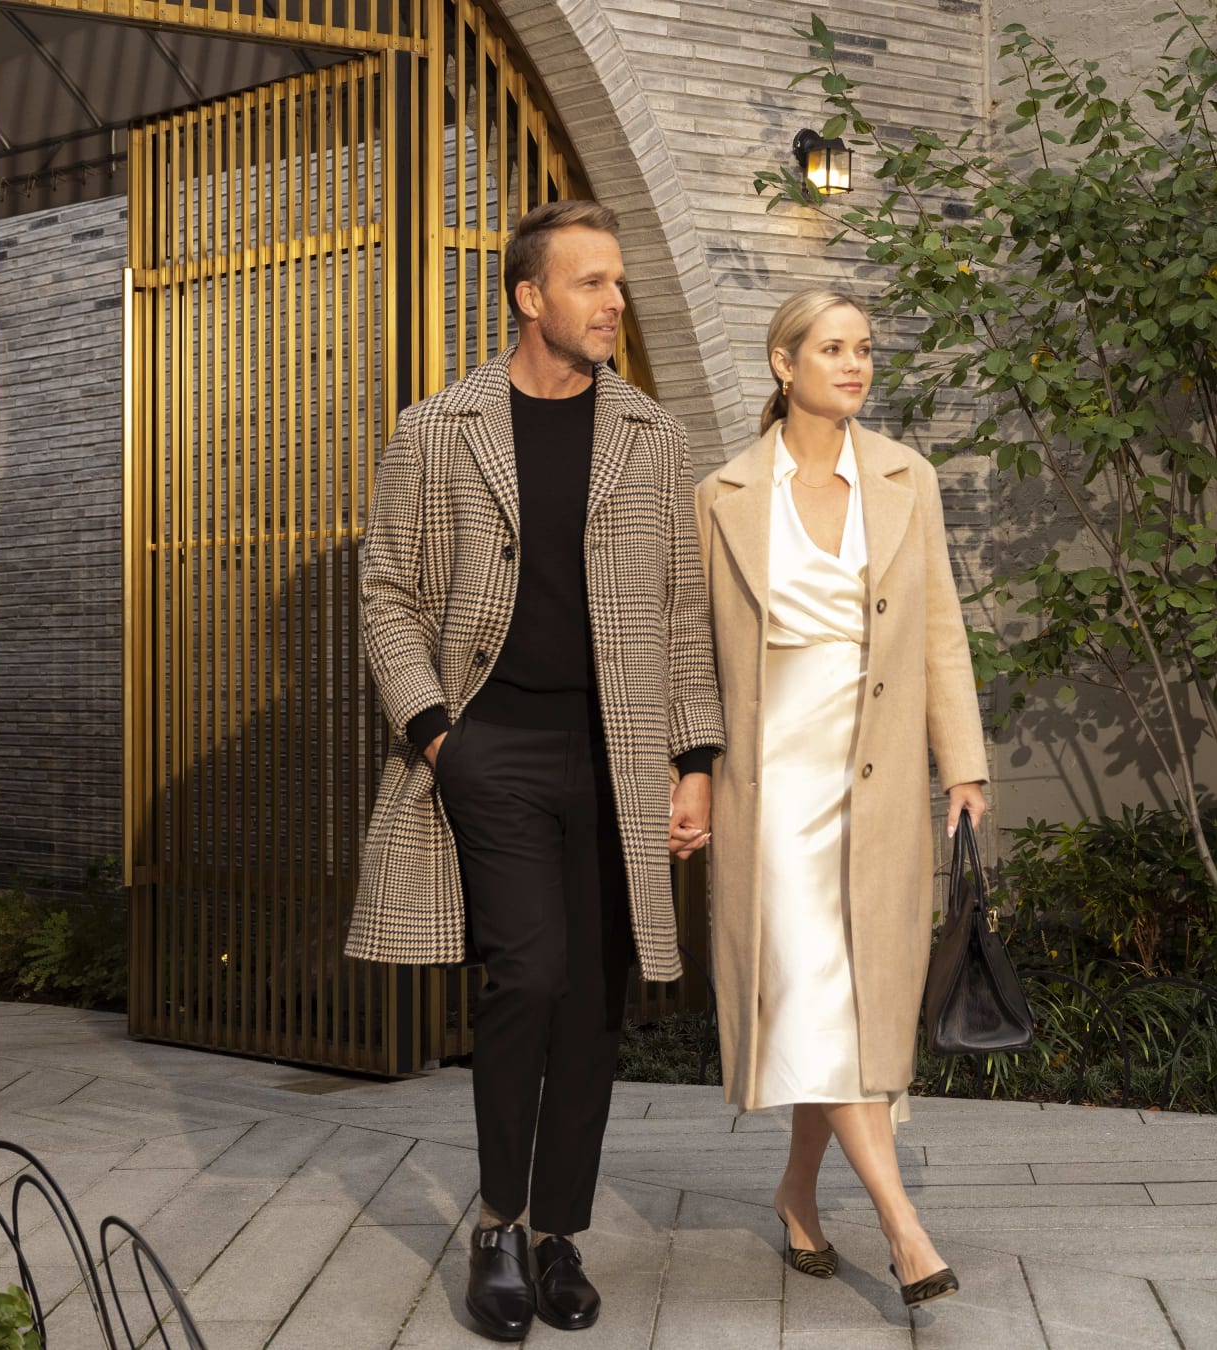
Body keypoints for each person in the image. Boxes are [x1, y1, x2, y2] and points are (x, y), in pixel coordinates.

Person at [348, 199, 724, 1343]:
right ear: (530, 296)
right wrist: (436, 735)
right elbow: (389, 595)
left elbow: (677, 607)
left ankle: (560, 1234)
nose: (616, 303)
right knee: (529, 974)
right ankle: (497, 1226)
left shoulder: (651, 436)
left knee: (593, 1002)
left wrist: (693, 759)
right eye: (592, 283)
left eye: (619, 285)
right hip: (491, 745)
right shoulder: (438, 428)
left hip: (615, 751)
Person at [693, 288, 990, 1309]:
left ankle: (795, 1192)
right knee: (819, 985)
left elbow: (941, 628)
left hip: (877, 776)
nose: (857, 365)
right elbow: (693, 651)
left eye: (865, 348)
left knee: (851, 995)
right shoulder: (725, 492)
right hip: (771, 781)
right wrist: (686, 774)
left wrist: (964, 763)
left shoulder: (909, 477)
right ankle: (907, 1232)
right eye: (833, 348)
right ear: (784, 364)